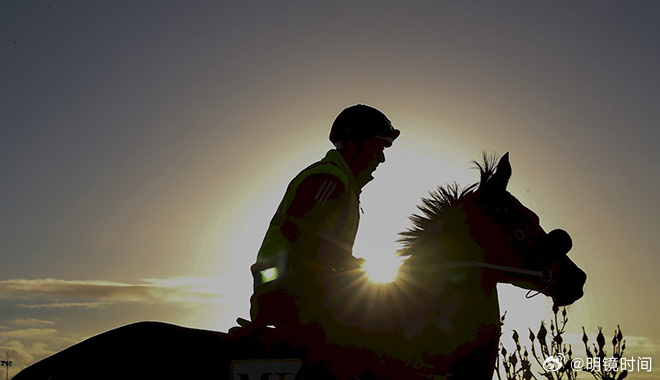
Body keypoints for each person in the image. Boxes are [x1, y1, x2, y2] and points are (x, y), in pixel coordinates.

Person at [249, 104, 400, 332]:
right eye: (377, 148)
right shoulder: (330, 178)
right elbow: (298, 230)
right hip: (289, 291)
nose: (381, 159)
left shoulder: (343, 184)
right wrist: (348, 263)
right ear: (352, 144)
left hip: (306, 289)